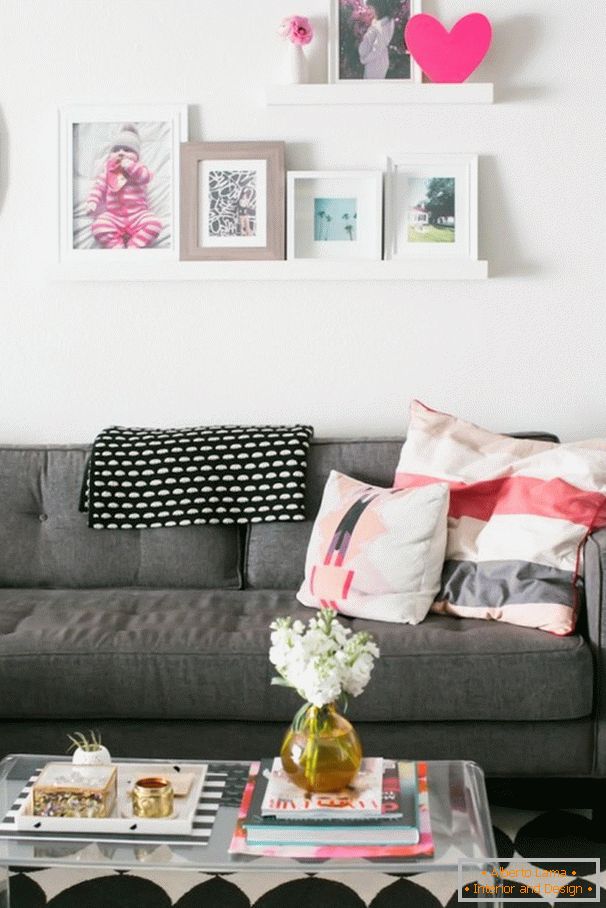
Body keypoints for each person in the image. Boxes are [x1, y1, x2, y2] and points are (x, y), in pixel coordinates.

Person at [86, 124, 163, 249]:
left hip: (138, 214)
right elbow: (98, 187)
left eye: (127, 150)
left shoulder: (139, 168)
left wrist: (131, 167)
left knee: (154, 223)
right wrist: (92, 202)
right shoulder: (108, 172)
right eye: (116, 150)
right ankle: (117, 246)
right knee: (98, 226)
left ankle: (134, 245)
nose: (121, 153)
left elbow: (146, 177)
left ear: (136, 156)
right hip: (114, 216)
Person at [358, 0, 396, 80]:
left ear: (378, 7)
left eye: (371, 8)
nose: (369, 11)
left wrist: (364, 60)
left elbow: (377, 49)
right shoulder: (381, 22)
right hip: (374, 61)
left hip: (375, 63)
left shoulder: (384, 24)